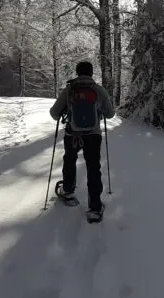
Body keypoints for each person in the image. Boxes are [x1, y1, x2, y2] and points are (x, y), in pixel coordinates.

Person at [49, 60, 116, 221]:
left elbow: (54, 113)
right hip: (93, 135)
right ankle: (94, 207)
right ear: (91, 73)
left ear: (77, 73)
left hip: (72, 134)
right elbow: (110, 114)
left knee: (69, 160)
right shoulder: (98, 90)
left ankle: (68, 190)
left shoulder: (70, 89)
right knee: (93, 167)